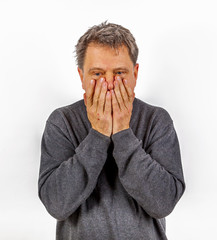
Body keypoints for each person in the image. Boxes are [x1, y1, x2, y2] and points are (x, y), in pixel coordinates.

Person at [38, 22, 185, 240]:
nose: (108, 84)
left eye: (119, 73)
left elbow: (163, 203)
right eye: (97, 74)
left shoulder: (157, 120)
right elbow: (56, 205)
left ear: (135, 73)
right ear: (81, 76)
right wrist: (98, 134)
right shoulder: (62, 122)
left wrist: (123, 133)